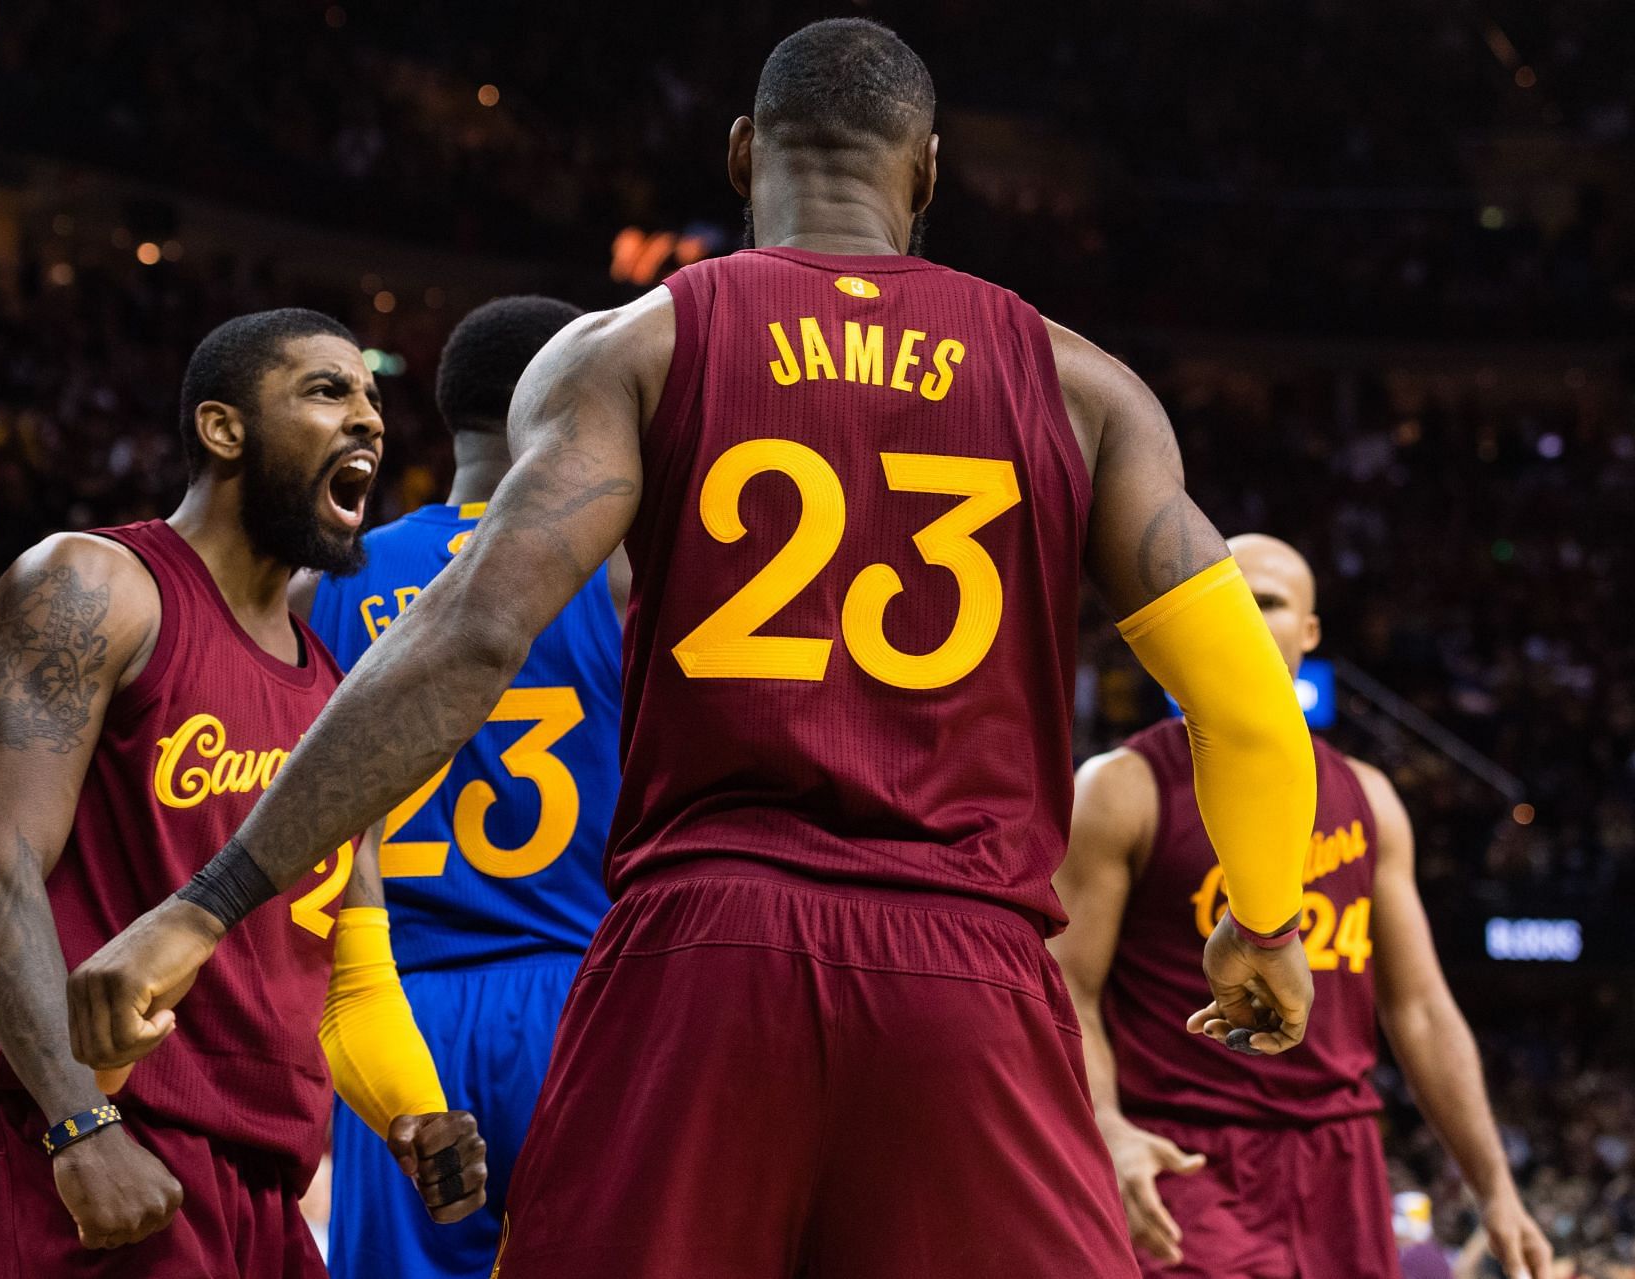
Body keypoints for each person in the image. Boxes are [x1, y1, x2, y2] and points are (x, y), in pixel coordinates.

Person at [67, 21, 1321, 1279]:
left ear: (740, 156)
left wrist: (208, 904)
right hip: (967, 969)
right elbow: (1252, 711)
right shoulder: (1083, 388)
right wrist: (1264, 922)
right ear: (928, 174)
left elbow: (466, 637)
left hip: (698, 962)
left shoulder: (635, 348)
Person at [0, 309, 486, 1278]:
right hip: (84, 1136)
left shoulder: (332, 692)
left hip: (258, 1174)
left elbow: (350, 965)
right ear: (223, 429)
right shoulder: (95, 586)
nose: (369, 420)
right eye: (327, 391)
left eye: (374, 400)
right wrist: (79, 1125)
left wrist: (414, 1107)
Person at [1050, 534, 1552, 1279]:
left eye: (1269, 602)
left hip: (1341, 1161)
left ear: (1310, 633)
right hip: (1186, 1156)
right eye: (1227, 602)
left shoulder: (1372, 798)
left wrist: (1496, 1188)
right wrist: (1107, 1126)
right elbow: (1068, 988)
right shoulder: (1120, 787)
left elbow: (1419, 1009)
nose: (1246, 619)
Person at [295, 295, 626, 1279]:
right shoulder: (614, 570)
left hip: (396, 1006)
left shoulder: (331, 580)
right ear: (576, 396)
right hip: (580, 992)